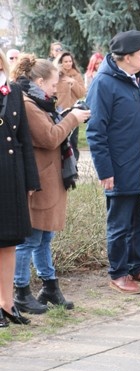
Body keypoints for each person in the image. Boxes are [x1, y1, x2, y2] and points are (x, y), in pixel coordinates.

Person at [86, 30, 140, 294]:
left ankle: (137, 267)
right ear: (127, 57)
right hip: (120, 168)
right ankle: (119, 272)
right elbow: (96, 130)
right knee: (120, 224)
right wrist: (105, 170)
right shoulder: (103, 83)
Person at [12, 55, 89, 315]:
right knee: (31, 240)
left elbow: (52, 129)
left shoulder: (40, 102)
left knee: (45, 237)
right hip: (39, 182)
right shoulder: (28, 104)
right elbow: (49, 137)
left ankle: (49, 287)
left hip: (48, 179)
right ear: (40, 81)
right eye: (54, 83)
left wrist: (66, 115)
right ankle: (21, 291)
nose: (57, 88)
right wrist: (72, 119)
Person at [0, 49, 40, 327]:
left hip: (11, 176)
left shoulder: (12, 90)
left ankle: (7, 304)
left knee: (9, 243)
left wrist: (30, 181)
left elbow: (23, 138)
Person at [53, 51, 86, 160]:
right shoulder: (55, 75)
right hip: (58, 111)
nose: (68, 64)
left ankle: (74, 166)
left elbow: (81, 93)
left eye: (70, 61)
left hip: (72, 111)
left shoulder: (76, 75)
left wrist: (73, 82)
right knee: (60, 139)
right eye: (65, 61)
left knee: (73, 140)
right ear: (60, 62)